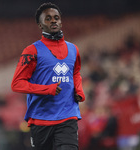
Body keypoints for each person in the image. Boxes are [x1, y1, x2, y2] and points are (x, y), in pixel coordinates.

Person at [11, 2, 85, 150]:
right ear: (40, 25)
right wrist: (47, 89)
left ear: (61, 21)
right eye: (48, 18)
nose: (53, 21)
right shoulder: (31, 51)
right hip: (41, 118)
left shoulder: (73, 49)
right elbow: (17, 84)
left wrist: (79, 90)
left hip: (68, 115)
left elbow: (75, 72)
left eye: (56, 18)